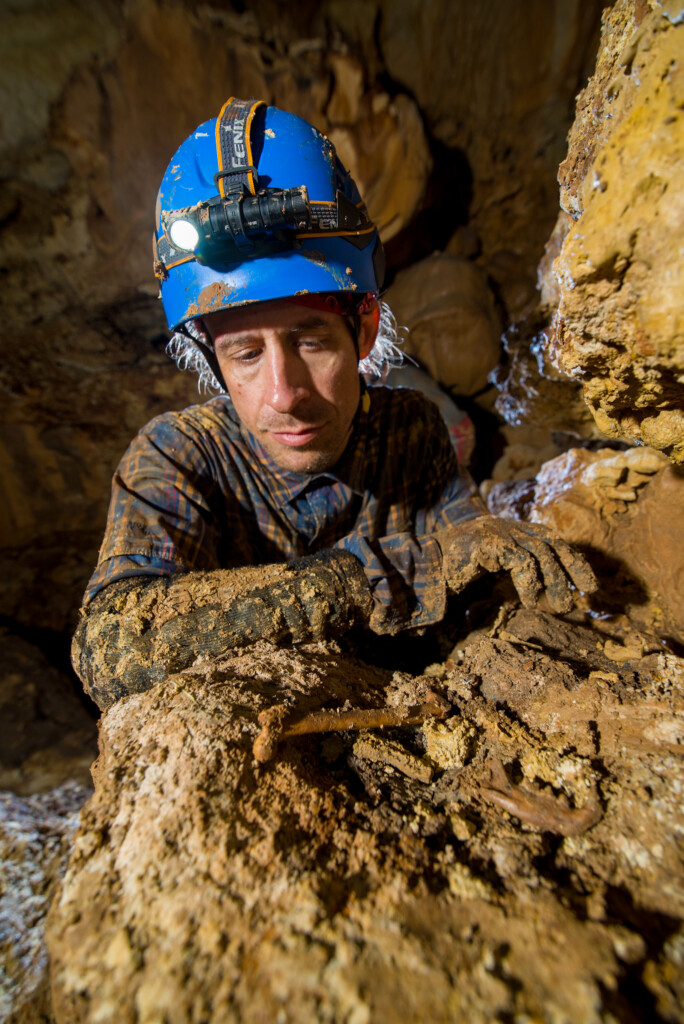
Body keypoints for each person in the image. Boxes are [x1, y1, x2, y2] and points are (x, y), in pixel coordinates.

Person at [72, 98, 596, 711]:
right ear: (212, 360)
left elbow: (471, 550)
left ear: (365, 331)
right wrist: (341, 584)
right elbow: (112, 644)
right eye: (245, 355)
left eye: (311, 341)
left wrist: (490, 544)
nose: (285, 393)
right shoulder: (180, 458)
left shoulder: (411, 427)